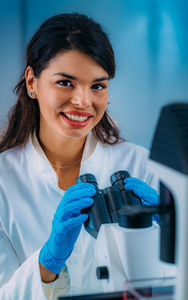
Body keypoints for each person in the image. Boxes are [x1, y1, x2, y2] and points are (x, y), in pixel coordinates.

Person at [0, 13, 159, 300]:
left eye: (97, 86)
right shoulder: (3, 181)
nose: (84, 101)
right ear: (32, 82)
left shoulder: (141, 166)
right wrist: (47, 263)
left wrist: (175, 237)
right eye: (65, 82)